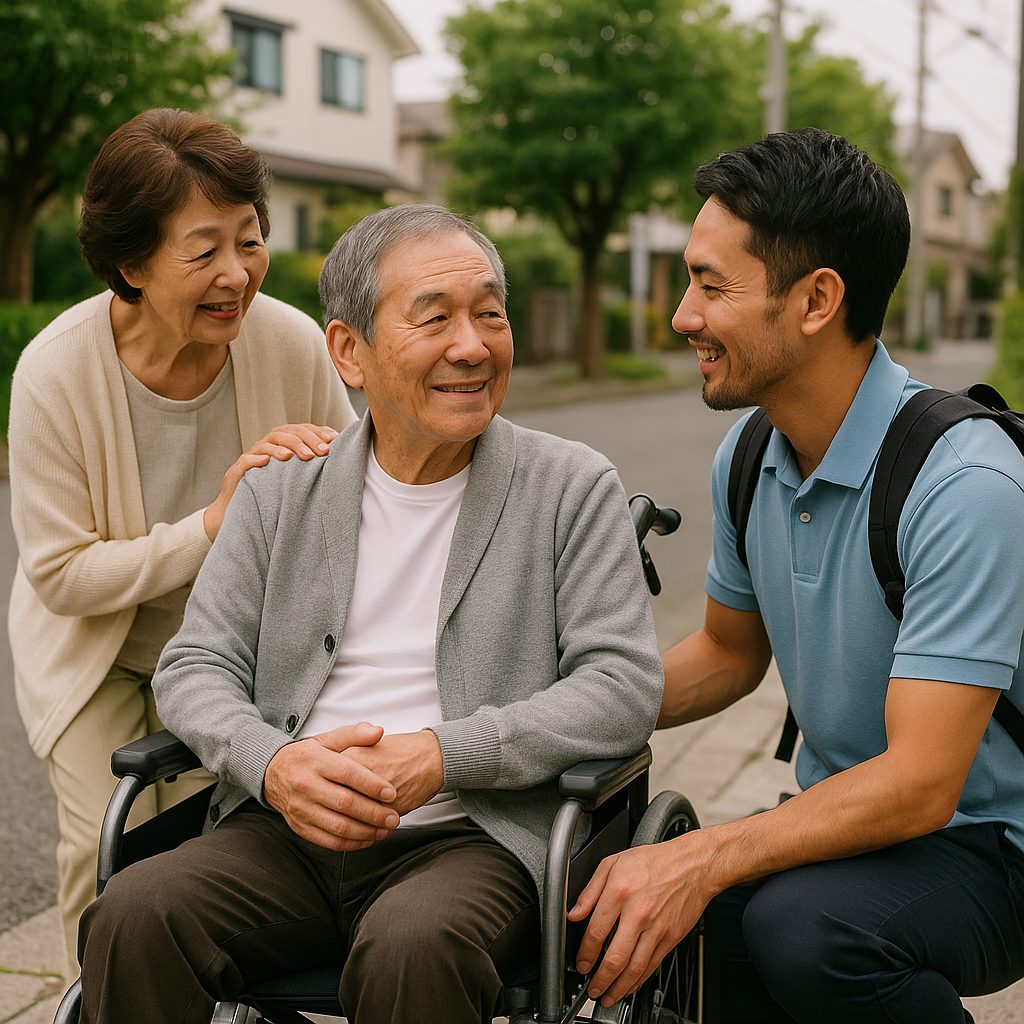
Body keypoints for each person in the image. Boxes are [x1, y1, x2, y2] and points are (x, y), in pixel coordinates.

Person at [75, 203, 663, 1024]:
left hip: (470, 837)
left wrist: (441, 756)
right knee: (136, 912)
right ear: (350, 351)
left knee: (414, 947)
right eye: (435, 319)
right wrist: (275, 766)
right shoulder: (282, 491)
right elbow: (195, 665)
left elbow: (622, 685)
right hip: (286, 833)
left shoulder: (570, 485)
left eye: (489, 314)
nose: (472, 344)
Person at [569, 128, 1024, 1022]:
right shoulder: (750, 455)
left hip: (989, 845)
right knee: (650, 922)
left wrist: (707, 855)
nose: (681, 317)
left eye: (709, 285)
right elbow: (728, 655)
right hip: (850, 824)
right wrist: (554, 705)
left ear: (816, 300)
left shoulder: (965, 485)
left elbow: (924, 782)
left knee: (805, 930)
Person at [7, 107, 356, 976]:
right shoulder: (55, 373)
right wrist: (213, 524)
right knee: (104, 852)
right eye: (203, 252)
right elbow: (60, 576)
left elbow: (359, 486)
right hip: (101, 648)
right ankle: (102, 998)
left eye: (250, 239)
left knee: (209, 850)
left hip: (236, 651)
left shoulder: (288, 342)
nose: (236, 273)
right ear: (131, 265)